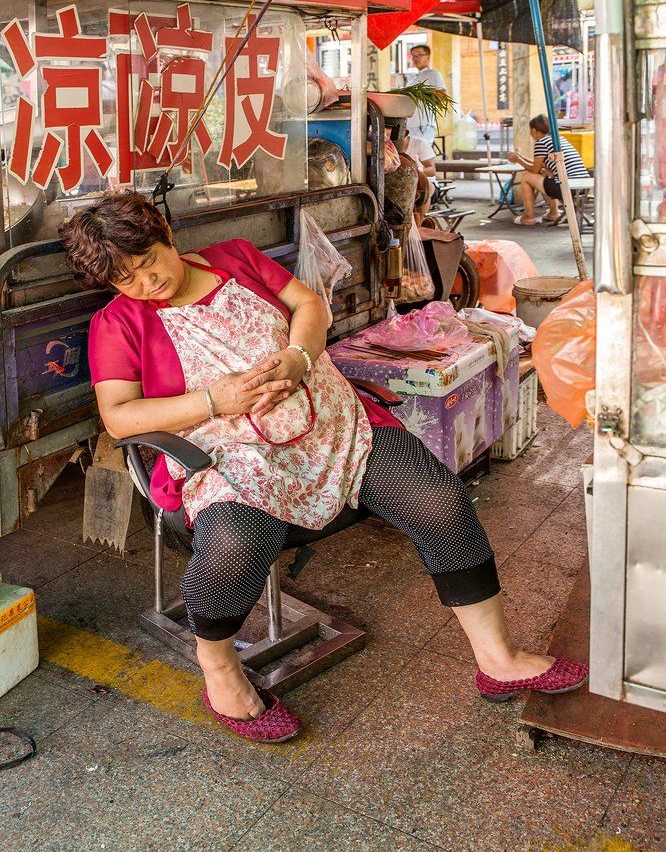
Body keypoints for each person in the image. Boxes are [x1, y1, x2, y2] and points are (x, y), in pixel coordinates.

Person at [60, 192, 588, 743]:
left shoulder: (236, 257)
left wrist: (298, 357)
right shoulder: (117, 324)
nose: (148, 284)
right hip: (230, 453)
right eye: (128, 280)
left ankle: (498, 658)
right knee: (232, 546)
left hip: (333, 426)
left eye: (148, 263)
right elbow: (119, 417)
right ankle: (220, 671)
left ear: (165, 234)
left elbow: (310, 307)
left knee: (440, 501)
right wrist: (215, 400)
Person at [508, 114, 588, 226]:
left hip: (566, 187)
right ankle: (553, 213)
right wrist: (520, 157)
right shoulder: (558, 140)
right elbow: (541, 166)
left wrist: (518, 159)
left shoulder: (541, 142)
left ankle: (528, 217)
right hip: (582, 185)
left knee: (527, 176)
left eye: (530, 130)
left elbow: (535, 170)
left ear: (535, 130)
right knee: (545, 175)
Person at [405, 44, 445, 145]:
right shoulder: (413, 77)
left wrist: (423, 94)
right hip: (411, 123)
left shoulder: (433, 74)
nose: (415, 58)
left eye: (419, 55)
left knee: (423, 155)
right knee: (412, 157)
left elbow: (442, 95)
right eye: (413, 56)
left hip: (424, 123)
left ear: (428, 56)